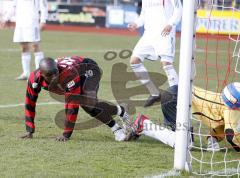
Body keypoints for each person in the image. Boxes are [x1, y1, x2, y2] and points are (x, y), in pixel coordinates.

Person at [21, 56, 129, 142]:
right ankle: (120, 113)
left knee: (88, 104)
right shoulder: (34, 79)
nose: (54, 77)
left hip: (88, 68)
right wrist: (29, 130)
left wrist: (66, 134)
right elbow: (30, 102)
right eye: (49, 75)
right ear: (42, 74)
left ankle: (116, 128)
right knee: (89, 105)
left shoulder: (68, 74)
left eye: (56, 72)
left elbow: (72, 105)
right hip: (77, 69)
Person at [127, 85, 240, 152]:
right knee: (185, 144)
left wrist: (213, 139)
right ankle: (144, 125)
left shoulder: (227, 102)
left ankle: (145, 123)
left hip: (176, 94)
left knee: (184, 140)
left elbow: (224, 126)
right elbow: (230, 135)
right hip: (175, 100)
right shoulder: (231, 110)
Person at [128, 0, 182, 107]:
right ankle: (154, 93)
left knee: (166, 63)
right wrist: (136, 23)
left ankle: (179, 96)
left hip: (165, 33)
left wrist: (170, 24)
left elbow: (179, 9)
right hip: (149, 34)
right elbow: (143, 15)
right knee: (134, 61)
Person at [1, 0, 48, 80]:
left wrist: (43, 21)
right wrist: (6, 18)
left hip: (32, 22)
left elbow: (44, 6)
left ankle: (38, 74)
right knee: (23, 47)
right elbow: (13, 6)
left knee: (35, 46)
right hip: (20, 23)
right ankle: (26, 73)